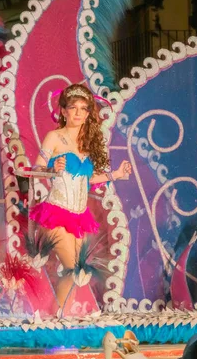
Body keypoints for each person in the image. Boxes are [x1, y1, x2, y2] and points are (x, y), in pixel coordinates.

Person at [30, 83, 131, 308]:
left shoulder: (88, 143)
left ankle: (62, 320)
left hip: (79, 216)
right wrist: (52, 167)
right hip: (56, 212)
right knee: (74, 268)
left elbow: (89, 179)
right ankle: (59, 322)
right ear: (63, 112)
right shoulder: (54, 137)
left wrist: (116, 175)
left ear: (88, 113)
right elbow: (35, 168)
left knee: (79, 272)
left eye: (83, 109)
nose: (78, 113)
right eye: (73, 108)